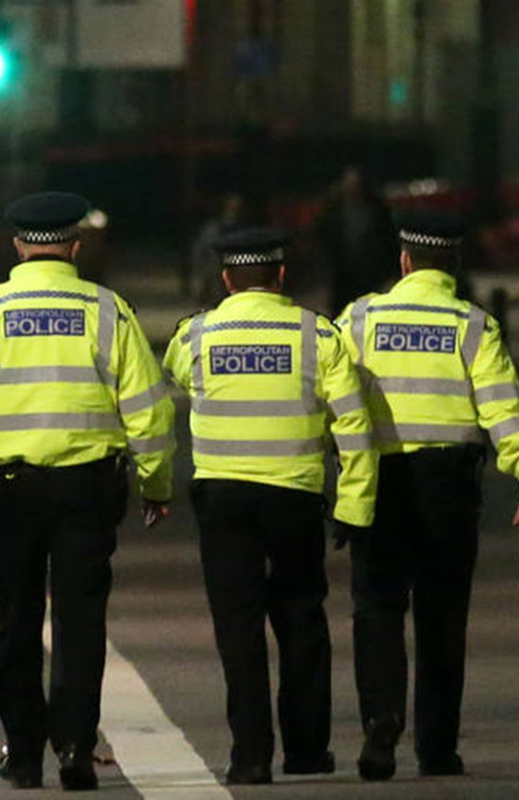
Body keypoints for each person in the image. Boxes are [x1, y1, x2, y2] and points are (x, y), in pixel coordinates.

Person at [0, 192, 176, 791]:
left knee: (18, 620)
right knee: (82, 623)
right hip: (87, 491)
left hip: (11, 494)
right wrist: (155, 484)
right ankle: (77, 747)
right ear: (75, 247)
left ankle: (25, 753)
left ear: (17, 246)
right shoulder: (109, 312)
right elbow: (148, 414)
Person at [334, 209, 519, 781]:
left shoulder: (359, 318)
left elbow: (332, 394)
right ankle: (437, 748)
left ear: (404, 262)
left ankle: (381, 721)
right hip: (449, 484)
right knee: (442, 615)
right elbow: (503, 404)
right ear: (453, 265)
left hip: (381, 479)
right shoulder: (472, 325)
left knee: (376, 607)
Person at [161, 228, 378, 785]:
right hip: (294, 497)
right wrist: (354, 506)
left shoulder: (195, 336)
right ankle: (306, 749)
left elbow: (176, 377)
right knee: (302, 620)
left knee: (238, 627)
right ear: (281, 276)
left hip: (224, 499)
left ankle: (250, 756)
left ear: (226, 279)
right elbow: (354, 425)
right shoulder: (317, 336)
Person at [315, 167, 397, 315]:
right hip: (342, 277)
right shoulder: (334, 211)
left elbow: (389, 242)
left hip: (371, 276)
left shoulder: (377, 211)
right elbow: (323, 239)